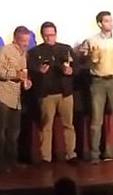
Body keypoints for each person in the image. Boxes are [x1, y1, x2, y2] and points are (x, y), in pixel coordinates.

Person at [79, 11, 113, 162]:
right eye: (107, 21)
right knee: (96, 119)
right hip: (98, 81)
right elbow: (82, 60)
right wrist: (89, 55)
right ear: (100, 24)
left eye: (111, 20)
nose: (110, 23)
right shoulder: (90, 40)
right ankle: (95, 154)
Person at [28, 21, 78, 164]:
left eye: (52, 35)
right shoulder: (34, 52)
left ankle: (71, 154)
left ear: (56, 34)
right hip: (46, 94)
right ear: (42, 36)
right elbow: (30, 71)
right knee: (46, 126)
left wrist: (70, 70)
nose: (50, 38)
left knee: (68, 125)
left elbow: (77, 68)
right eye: (46, 35)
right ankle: (46, 157)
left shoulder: (65, 49)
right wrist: (39, 71)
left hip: (65, 93)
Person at [0, 25, 32, 172]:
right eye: (23, 40)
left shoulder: (24, 54)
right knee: (0, 132)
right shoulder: (5, 50)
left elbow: (22, 75)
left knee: (13, 132)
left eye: (27, 40)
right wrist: (14, 74)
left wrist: (26, 82)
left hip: (15, 98)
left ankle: (12, 161)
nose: (26, 43)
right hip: (2, 95)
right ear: (15, 39)